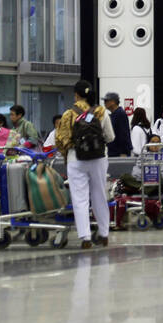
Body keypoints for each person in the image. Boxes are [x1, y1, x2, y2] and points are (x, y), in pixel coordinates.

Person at [55, 80, 116, 249]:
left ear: (76, 95)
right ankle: (103, 234)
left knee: (80, 198)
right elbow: (110, 137)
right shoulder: (101, 112)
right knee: (100, 196)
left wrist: (67, 151)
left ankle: (85, 237)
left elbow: (60, 140)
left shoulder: (68, 114)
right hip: (98, 158)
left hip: (76, 159)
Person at [103, 93, 133, 157]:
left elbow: (124, 134)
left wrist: (123, 152)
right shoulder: (113, 114)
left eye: (106, 101)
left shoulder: (120, 114)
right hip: (113, 151)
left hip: (119, 153)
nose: (104, 103)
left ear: (113, 102)